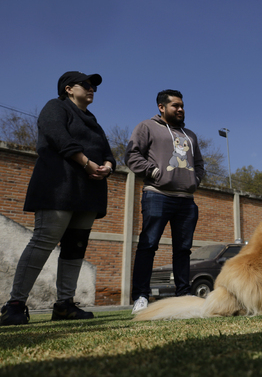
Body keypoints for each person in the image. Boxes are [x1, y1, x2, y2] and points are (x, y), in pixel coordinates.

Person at [0, 71, 116, 326]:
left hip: (89, 191)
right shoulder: (55, 107)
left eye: (93, 86)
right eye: (85, 85)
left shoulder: (92, 119)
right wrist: (86, 163)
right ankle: (15, 305)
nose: (91, 89)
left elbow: (108, 151)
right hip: (59, 186)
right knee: (44, 241)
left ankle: (65, 304)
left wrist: (107, 165)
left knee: (75, 248)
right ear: (67, 88)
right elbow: (59, 138)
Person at [125, 89, 205, 314]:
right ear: (161, 107)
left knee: (183, 250)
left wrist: (195, 180)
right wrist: (153, 172)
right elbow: (132, 155)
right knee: (148, 246)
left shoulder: (190, 135)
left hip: (186, 200)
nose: (180, 109)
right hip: (157, 195)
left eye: (182, 106)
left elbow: (199, 163)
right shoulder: (146, 127)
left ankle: (183, 296)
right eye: (175, 106)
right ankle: (141, 296)